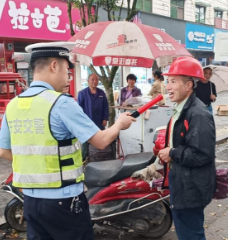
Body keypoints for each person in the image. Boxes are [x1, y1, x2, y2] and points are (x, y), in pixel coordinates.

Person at [0, 42, 135, 240]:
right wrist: (120, 124)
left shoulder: (13, 106)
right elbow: (100, 141)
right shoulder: (61, 103)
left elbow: (4, 151)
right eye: (66, 70)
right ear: (54, 66)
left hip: (31, 201)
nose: (68, 77)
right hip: (64, 201)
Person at [159, 57, 216, 240]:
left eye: (173, 82)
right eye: (168, 81)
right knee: (185, 232)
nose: (168, 87)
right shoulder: (181, 109)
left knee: (191, 234)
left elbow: (202, 154)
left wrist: (172, 153)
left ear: (189, 85)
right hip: (182, 183)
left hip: (191, 188)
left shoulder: (198, 114)